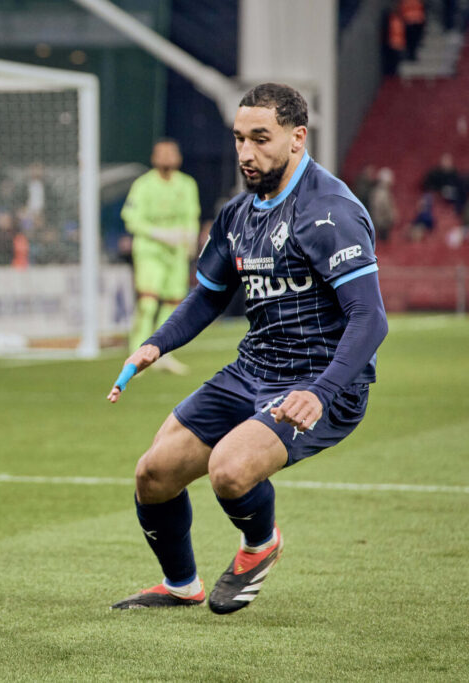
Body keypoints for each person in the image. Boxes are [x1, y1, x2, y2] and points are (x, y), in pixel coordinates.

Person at [107, 83, 388, 614]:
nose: (245, 152)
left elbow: (370, 317)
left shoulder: (330, 211)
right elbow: (208, 296)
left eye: (260, 139)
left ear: (297, 138)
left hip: (321, 381)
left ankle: (261, 544)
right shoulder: (237, 214)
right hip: (252, 369)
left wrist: (322, 391)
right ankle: (180, 584)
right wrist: (155, 344)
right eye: (239, 138)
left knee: (230, 469)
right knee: (154, 473)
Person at [121, 138, 201, 373]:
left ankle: (163, 353)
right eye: (162, 153)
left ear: (179, 157)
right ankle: (136, 354)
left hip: (176, 252)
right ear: (154, 158)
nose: (166, 158)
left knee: (173, 304)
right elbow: (131, 218)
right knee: (147, 302)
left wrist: (190, 240)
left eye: (171, 153)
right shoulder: (143, 185)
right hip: (150, 250)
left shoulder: (187, 184)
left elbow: (191, 216)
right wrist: (158, 233)